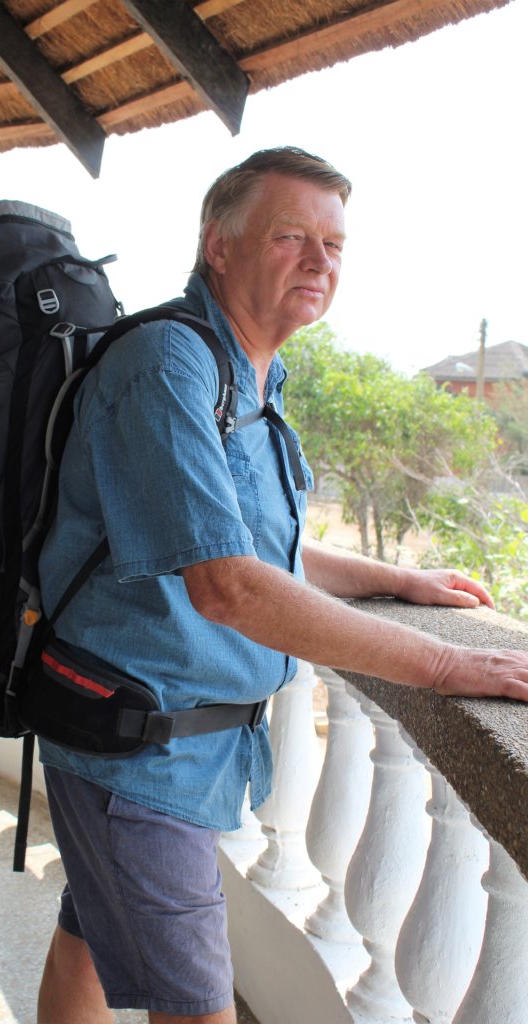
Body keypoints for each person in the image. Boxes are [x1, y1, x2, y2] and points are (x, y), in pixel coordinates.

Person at [36, 146, 528, 1024]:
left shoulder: (253, 377)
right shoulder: (168, 365)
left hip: (182, 750)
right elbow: (228, 586)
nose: (321, 261)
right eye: (291, 236)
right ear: (218, 246)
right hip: (136, 748)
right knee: (195, 1005)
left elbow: (261, 550)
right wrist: (451, 669)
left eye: (335, 244)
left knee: (89, 933)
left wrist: (400, 579)